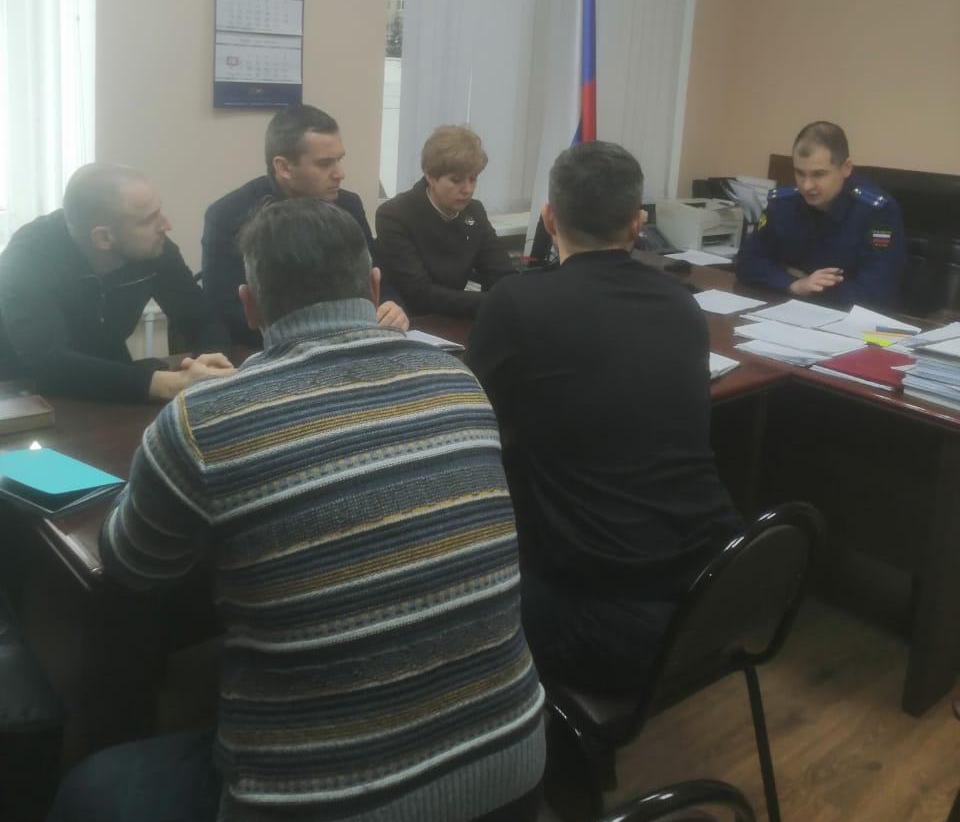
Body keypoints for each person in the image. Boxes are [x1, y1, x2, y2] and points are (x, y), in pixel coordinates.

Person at [43, 197, 545, 822]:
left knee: (83, 800)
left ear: (250, 306)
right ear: (372, 286)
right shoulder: (458, 380)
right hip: (513, 782)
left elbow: (132, 566)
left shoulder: (200, 421)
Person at [466, 141, 739, 694]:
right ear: (638, 223)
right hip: (717, 586)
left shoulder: (516, 303)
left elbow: (468, 422)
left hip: (604, 617)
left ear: (549, 219)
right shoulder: (682, 305)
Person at [0, 164, 233, 403]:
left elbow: (202, 318)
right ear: (103, 238)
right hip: (22, 395)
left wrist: (208, 363)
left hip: (112, 380)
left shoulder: (156, 249)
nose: (166, 225)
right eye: (148, 220)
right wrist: (167, 384)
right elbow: (49, 362)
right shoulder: (25, 261)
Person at [202, 104, 407, 345]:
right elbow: (223, 309)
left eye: (339, 160)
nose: (340, 173)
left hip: (350, 343)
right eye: (325, 164)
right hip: (268, 349)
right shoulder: (228, 215)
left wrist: (391, 306)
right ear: (283, 167)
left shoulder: (348, 205)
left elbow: (376, 276)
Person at [736, 121, 906, 309]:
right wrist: (794, 284)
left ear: (846, 168)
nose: (807, 185)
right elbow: (746, 261)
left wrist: (813, 286)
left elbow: (876, 293)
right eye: (800, 173)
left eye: (819, 174)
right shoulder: (784, 204)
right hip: (790, 312)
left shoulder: (876, 212)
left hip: (850, 320)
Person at [375, 126, 513, 318]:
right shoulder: (395, 215)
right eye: (456, 180)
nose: (467, 189)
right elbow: (419, 294)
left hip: (457, 318)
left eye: (473, 179)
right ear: (430, 176)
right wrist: (495, 302)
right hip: (411, 321)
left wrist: (510, 297)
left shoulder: (475, 211)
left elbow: (503, 274)